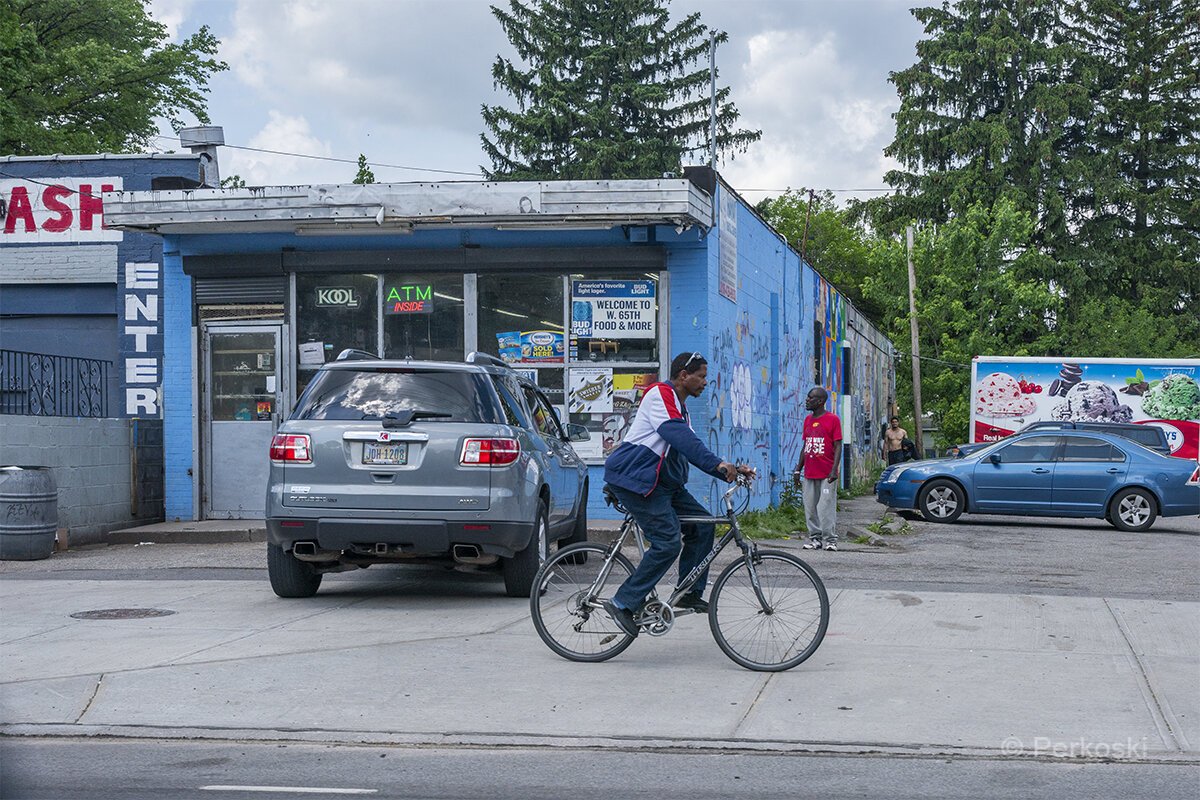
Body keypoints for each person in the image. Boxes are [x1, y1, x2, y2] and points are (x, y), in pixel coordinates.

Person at [601, 351, 755, 637]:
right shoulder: (659, 394)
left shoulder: (680, 408)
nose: (705, 383)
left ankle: (688, 592)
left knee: (702, 525)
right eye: (702, 376)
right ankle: (623, 602)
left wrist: (729, 469)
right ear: (684, 375)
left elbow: (693, 448)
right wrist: (718, 464)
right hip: (638, 481)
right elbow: (679, 437)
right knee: (667, 542)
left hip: (664, 485)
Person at [793, 386, 842, 551]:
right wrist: (797, 469)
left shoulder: (832, 419)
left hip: (827, 473)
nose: (807, 400)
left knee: (826, 506)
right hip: (810, 472)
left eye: (810, 398)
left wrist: (834, 470)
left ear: (820, 401)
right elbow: (806, 445)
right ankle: (815, 538)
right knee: (810, 506)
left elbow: (838, 446)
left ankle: (830, 540)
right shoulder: (807, 420)